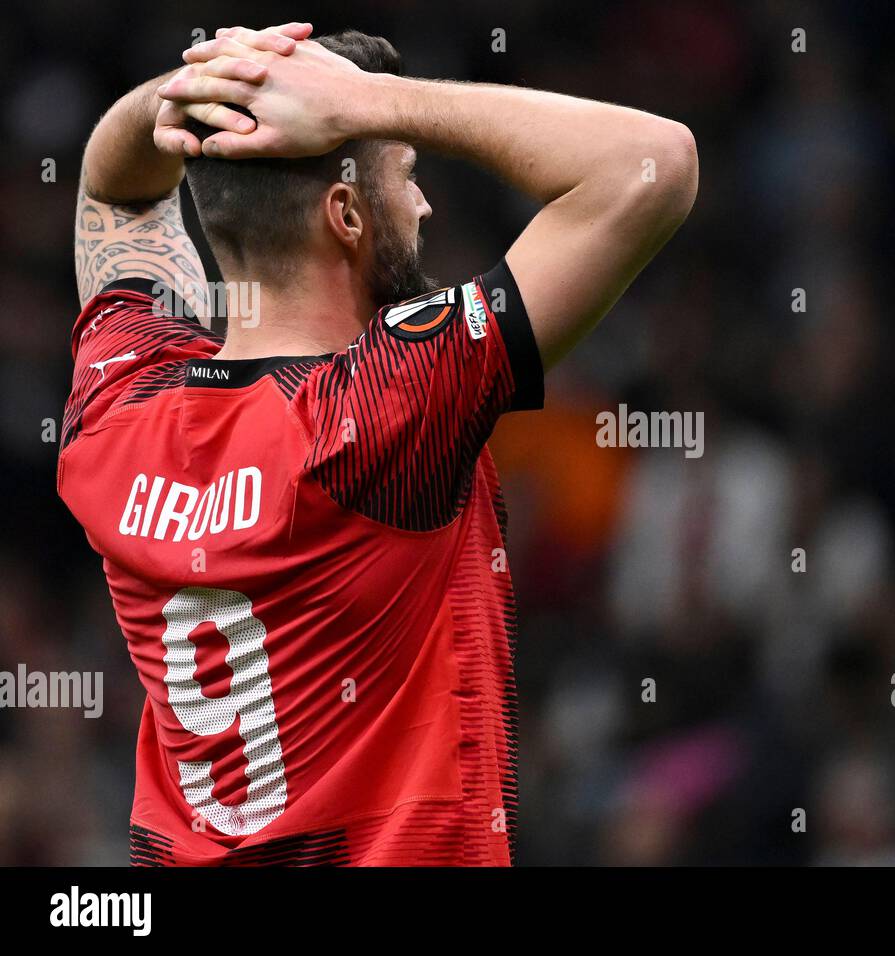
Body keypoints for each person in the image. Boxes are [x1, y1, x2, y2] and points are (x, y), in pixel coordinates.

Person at [59, 21, 697, 865]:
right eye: (409, 175)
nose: (427, 204)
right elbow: (655, 164)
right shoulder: (387, 407)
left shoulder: (118, 400)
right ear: (348, 213)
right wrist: (365, 101)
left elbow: (114, 190)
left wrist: (212, 81)